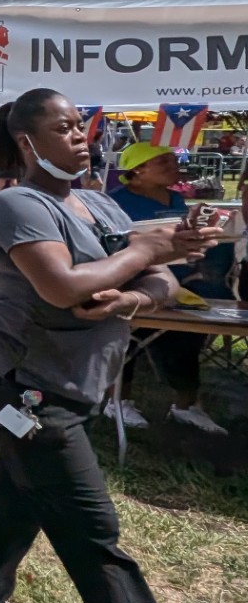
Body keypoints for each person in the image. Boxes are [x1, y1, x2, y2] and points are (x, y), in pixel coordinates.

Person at [0, 88, 218, 603]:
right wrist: (144, 253)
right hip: (24, 383)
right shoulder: (18, 204)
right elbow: (65, 286)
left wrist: (135, 297)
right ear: (26, 141)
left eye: (81, 127)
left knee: (20, 489)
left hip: (78, 378)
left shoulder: (94, 203)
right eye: (64, 127)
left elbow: (163, 281)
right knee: (94, 534)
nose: (81, 137)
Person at [105, 142, 232, 434]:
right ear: (138, 170)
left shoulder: (175, 199)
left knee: (186, 336)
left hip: (181, 285)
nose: (174, 168)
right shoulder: (115, 202)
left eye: (174, 161)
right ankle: (117, 401)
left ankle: (186, 407)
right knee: (129, 335)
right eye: (164, 163)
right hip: (136, 283)